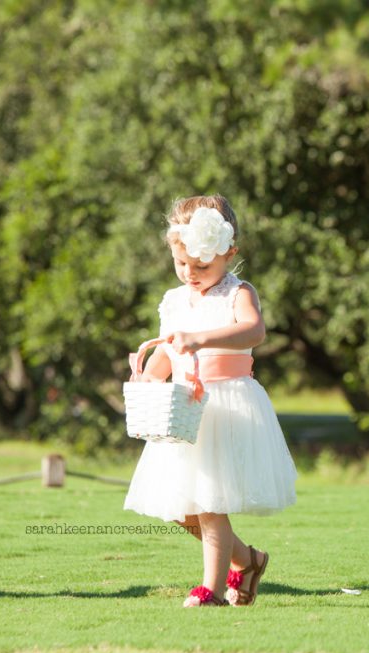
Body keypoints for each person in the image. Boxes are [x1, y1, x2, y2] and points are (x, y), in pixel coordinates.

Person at [124, 194, 297, 607]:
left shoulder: (238, 293)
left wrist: (202, 338)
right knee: (180, 507)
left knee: (209, 503)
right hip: (186, 408)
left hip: (227, 405)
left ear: (229, 252)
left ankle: (212, 590)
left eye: (201, 265)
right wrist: (148, 379)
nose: (190, 273)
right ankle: (248, 560)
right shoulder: (175, 300)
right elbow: (166, 351)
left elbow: (253, 331)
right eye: (181, 263)